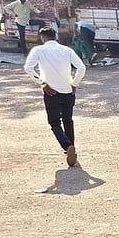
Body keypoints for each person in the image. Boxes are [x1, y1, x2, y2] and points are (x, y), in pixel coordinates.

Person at [24, 26, 86, 168]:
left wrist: (42, 83)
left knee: (54, 122)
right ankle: (72, 148)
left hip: (50, 91)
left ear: (43, 37)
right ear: (55, 36)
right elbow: (81, 68)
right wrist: (74, 84)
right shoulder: (66, 50)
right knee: (68, 121)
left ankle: (67, 146)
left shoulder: (39, 50)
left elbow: (28, 68)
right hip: (67, 91)